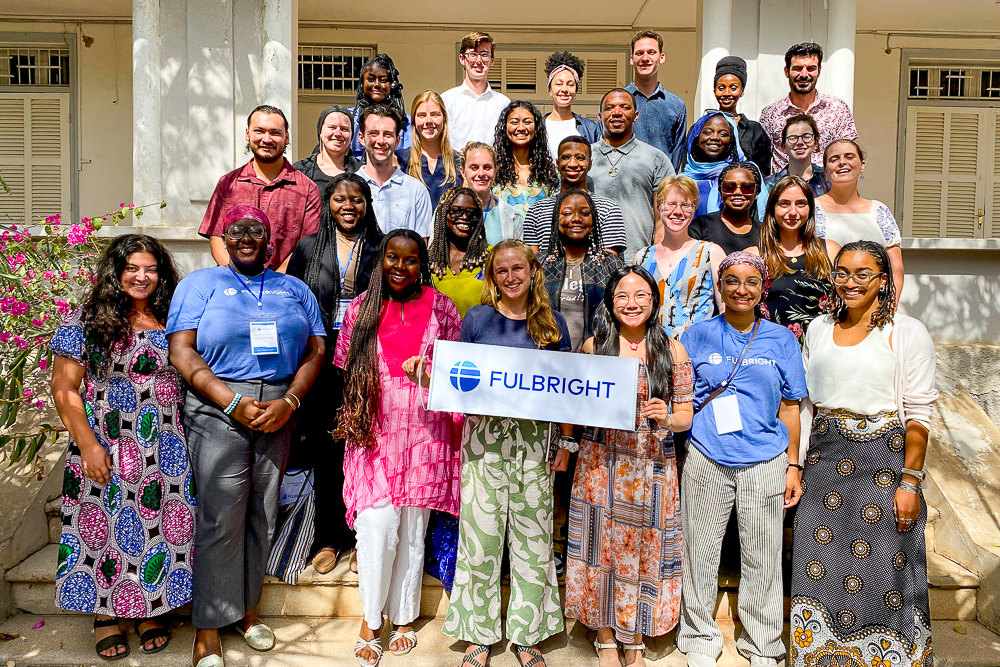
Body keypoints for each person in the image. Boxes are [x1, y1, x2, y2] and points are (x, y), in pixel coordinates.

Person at [167, 205, 326, 667]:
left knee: (262, 512)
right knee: (221, 516)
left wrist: (290, 402)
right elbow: (183, 351)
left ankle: (248, 612)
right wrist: (231, 401)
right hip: (218, 407)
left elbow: (316, 350)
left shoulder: (293, 288)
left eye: (256, 230)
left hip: (278, 406)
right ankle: (209, 628)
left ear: (269, 239)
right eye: (236, 230)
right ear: (223, 237)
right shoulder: (200, 284)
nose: (246, 237)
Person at [791, 241, 938, 667]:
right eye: (842, 273)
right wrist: (795, 464)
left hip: (883, 467)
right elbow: (805, 406)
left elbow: (918, 415)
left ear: (883, 279)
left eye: (863, 274)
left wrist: (910, 481)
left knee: (885, 581)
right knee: (817, 574)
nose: (850, 283)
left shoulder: (906, 332)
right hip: (823, 468)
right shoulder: (818, 329)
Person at [49, 235, 191, 660]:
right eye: (132, 269)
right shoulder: (87, 320)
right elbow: (64, 388)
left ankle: (150, 608)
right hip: (109, 438)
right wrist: (88, 444)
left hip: (166, 441)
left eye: (150, 269)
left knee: (161, 525)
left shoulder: (173, 315)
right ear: (116, 272)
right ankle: (106, 614)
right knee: (105, 523)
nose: (142, 277)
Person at [333, 229, 463, 666]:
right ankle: (371, 619)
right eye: (393, 258)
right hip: (375, 433)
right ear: (382, 258)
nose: (400, 267)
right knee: (376, 529)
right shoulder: (360, 308)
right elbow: (345, 371)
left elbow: (456, 369)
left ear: (421, 263)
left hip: (426, 434)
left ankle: (404, 618)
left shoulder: (441, 306)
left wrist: (430, 369)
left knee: (411, 532)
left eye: (411, 260)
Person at [442, 239, 573, 667]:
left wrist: (566, 443)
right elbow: (459, 379)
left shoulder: (552, 324)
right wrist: (429, 372)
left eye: (519, 269)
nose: (511, 277)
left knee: (533, 540)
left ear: (532, 271)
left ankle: (527, 634)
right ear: (493, 277)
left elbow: (571, 390)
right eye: (502, 271)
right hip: (484, 441)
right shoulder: (477, 319)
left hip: (536, 443)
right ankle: (478, 634)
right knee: (480, 538)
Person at [677, 252, 807, 667]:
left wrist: (793, 464)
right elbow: (681, 398)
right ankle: (699, 637)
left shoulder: (781, 339)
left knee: (763, 556)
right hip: (706, 455)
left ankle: (763, 645)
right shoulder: (695, 336)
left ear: (762, 287)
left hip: (765, 459)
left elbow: (790, 408)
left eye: (751, 282)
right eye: (731, 281)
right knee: (699, 551)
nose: (741, 289)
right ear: (720, 285)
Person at [564, 265, 695, 667]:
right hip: (601, 462)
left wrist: (668, 416)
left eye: (641, 295)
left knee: (643, 550)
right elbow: (572, 402)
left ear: (653, 302)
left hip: (650, 465)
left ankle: (634, 637)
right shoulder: (593, 346)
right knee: (599, 545)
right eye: (622, 295)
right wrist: (571, 436)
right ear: (610, 301)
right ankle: (605, 637)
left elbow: (687, 415)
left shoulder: (671, 349)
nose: (631, 303)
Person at [284, 173, 385, 574]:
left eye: (357, 200)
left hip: (369, 365)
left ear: (367, 204)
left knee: (368, 452)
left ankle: (363, 538)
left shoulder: (381, 247)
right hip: (321, 365)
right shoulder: (309, 248)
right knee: (327, 452)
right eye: (341, 199)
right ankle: (328, 537)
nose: (349, 206)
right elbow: (291, 305)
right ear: (328, 203)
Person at [200, 104, 321, 271]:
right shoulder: (227, 184)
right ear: (247, 134)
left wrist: (274, 283)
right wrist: (239, 279)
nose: (266, 139)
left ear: (287, 138)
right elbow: (216, 238)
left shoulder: (307, 189)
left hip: (283, 287)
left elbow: (306, 246)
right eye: (259, 131)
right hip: (232, 286)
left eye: (275, 133)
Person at [635, 175, 725, 338]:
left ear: (695, 208)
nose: (678, 212)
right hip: (652, 349)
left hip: (696, 350)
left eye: (685, 205)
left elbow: (725, 309)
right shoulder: (642, 257)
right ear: (659, 207)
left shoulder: (711, 253)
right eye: (671, 204)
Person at [591, 88, 675, 261]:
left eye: (624, 107)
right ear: (599, 117)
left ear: (636, 115)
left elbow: (663, 219)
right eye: (609, 108)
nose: (616, 112)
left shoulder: (656, 158)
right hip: (591, 261)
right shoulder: (583, 158)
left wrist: (655, 257)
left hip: (638, 260)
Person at [815, 139, 904, 298]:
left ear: (862, 165)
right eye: (834, 159)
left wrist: (890, 308)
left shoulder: (879, 211)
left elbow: (895, 268)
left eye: (849, 157)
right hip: (825, 304)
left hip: (874, 307)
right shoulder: (811, 209)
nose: (842, 162)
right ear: (825, 170)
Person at [540, 189, 624, 351]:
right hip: (548, 359)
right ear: (556, 218)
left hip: (597, 358)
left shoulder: (612, 265)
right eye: (567, 213)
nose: (576, 219)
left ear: (593, 221)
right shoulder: (539, 264)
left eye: (585, 213)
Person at [754, 174, 831, 343]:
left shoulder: (830, 250)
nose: (793, 212)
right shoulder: (755, 255)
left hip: (820, 349)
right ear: (772, 208)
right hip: (770, 349)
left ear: (810, 208)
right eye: (784, 204)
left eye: (801, 204)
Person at [759, 43, 858, 173]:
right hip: (785, 189)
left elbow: (847, 155)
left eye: (811, 68)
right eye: (798, 68)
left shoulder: (837, 108)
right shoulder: (771, 113)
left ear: (819, 71)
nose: (804, 74)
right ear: (786, 71)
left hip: (827, 189)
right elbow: (762, 160)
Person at [524, 136, 628, 256]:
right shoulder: (537, 210)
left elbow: (610, 264)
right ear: (557, 163)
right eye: (566, 157)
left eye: (580, 158)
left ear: (590, 164)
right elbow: (532, 263)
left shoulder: (608, 209)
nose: (572, 164)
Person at [358, 105, 433, 239]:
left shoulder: (417, 191)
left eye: (388, 134)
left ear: (397, 141)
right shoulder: (348, 188)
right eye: (373, 133)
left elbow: (421, 248)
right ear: (361, 138)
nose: (380, 141)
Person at [683, 112, 768, 220]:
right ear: (696, 137)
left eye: (723, 134)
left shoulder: (746, 174)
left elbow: (762, 216)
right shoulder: (682, 181)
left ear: (733, 140)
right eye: (708, 132)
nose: (715, 137)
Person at [625, 30, 687, 170]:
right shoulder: (616, 103)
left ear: (662, 57)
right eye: (639, 53)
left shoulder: (676, 105)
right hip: (625, 185)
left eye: (651, 52)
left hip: (662, 186)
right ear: (631, 59)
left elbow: (677, 155)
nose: (645, 58)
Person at [441, 32, 511, 150]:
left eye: (484, 54)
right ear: (462, 59)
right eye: (473, 54)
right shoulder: (447, 100)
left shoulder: (503, 104)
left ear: (492, 60)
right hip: (455, 168)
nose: (479, 61)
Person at [428, 186, 490, 317]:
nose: (464, 217)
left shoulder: (491, 258)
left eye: (471, 212)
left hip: (478, 336)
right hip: (437, 337)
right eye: (456, 211)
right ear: (444, 214)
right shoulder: (429, 261)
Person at [492, 100, 560, 217]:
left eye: (527, 122)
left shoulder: (550, 174)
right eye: (514, 122)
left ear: (537, 127)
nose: (521, 128)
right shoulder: (492, 171)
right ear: (505, 127)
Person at [712, 56, 772, 177]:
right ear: (714, 90)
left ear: (742, 91)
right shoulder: (701, 127)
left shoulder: (755, 130)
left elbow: (763, 173)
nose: (727, 93)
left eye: (733, 88)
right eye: (721, 88)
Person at [689, 162, 766, 255]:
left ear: (756, 192)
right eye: (729, 187)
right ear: (720, 191)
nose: (738, 192)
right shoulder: (701, 225)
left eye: (746, 187)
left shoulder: (764, 232)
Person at [402, 90, 461, 209]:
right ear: (413, 120)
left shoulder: (459, 162)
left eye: (435, 114)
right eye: (422, 115)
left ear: (444, 119)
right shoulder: (401, 160)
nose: (428, 121)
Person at [348, 53, 410, 161]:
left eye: (383, 80)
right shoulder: (349, 118)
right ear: (362, 83)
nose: (377, 84)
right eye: (371, 79)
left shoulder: (406, 122)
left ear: (392, 84)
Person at [459, 141, 524, 245]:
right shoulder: (446, 213)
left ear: (495, 170)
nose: (481, 174)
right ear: (463, 172)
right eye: (474, 167)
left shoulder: (512, 216)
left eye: (487, 167)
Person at [542, 51, 602, 158]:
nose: (564, 89)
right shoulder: (538, 127)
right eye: (559, 84)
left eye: (570, 84)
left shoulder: (590, 129)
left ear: (576, 92)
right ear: (550, 90)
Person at [293, 105, 361, 195]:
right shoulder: (300, 171)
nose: (337, 133)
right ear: (320, 131)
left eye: (344, 129)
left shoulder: (361, 173)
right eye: (332, 127)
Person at [762, 115, 829, 197]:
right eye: (793, 138)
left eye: (806, 136)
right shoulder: (770, 184)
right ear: (783, 146)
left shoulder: (828, 180)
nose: (800, 142)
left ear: (815, 143)